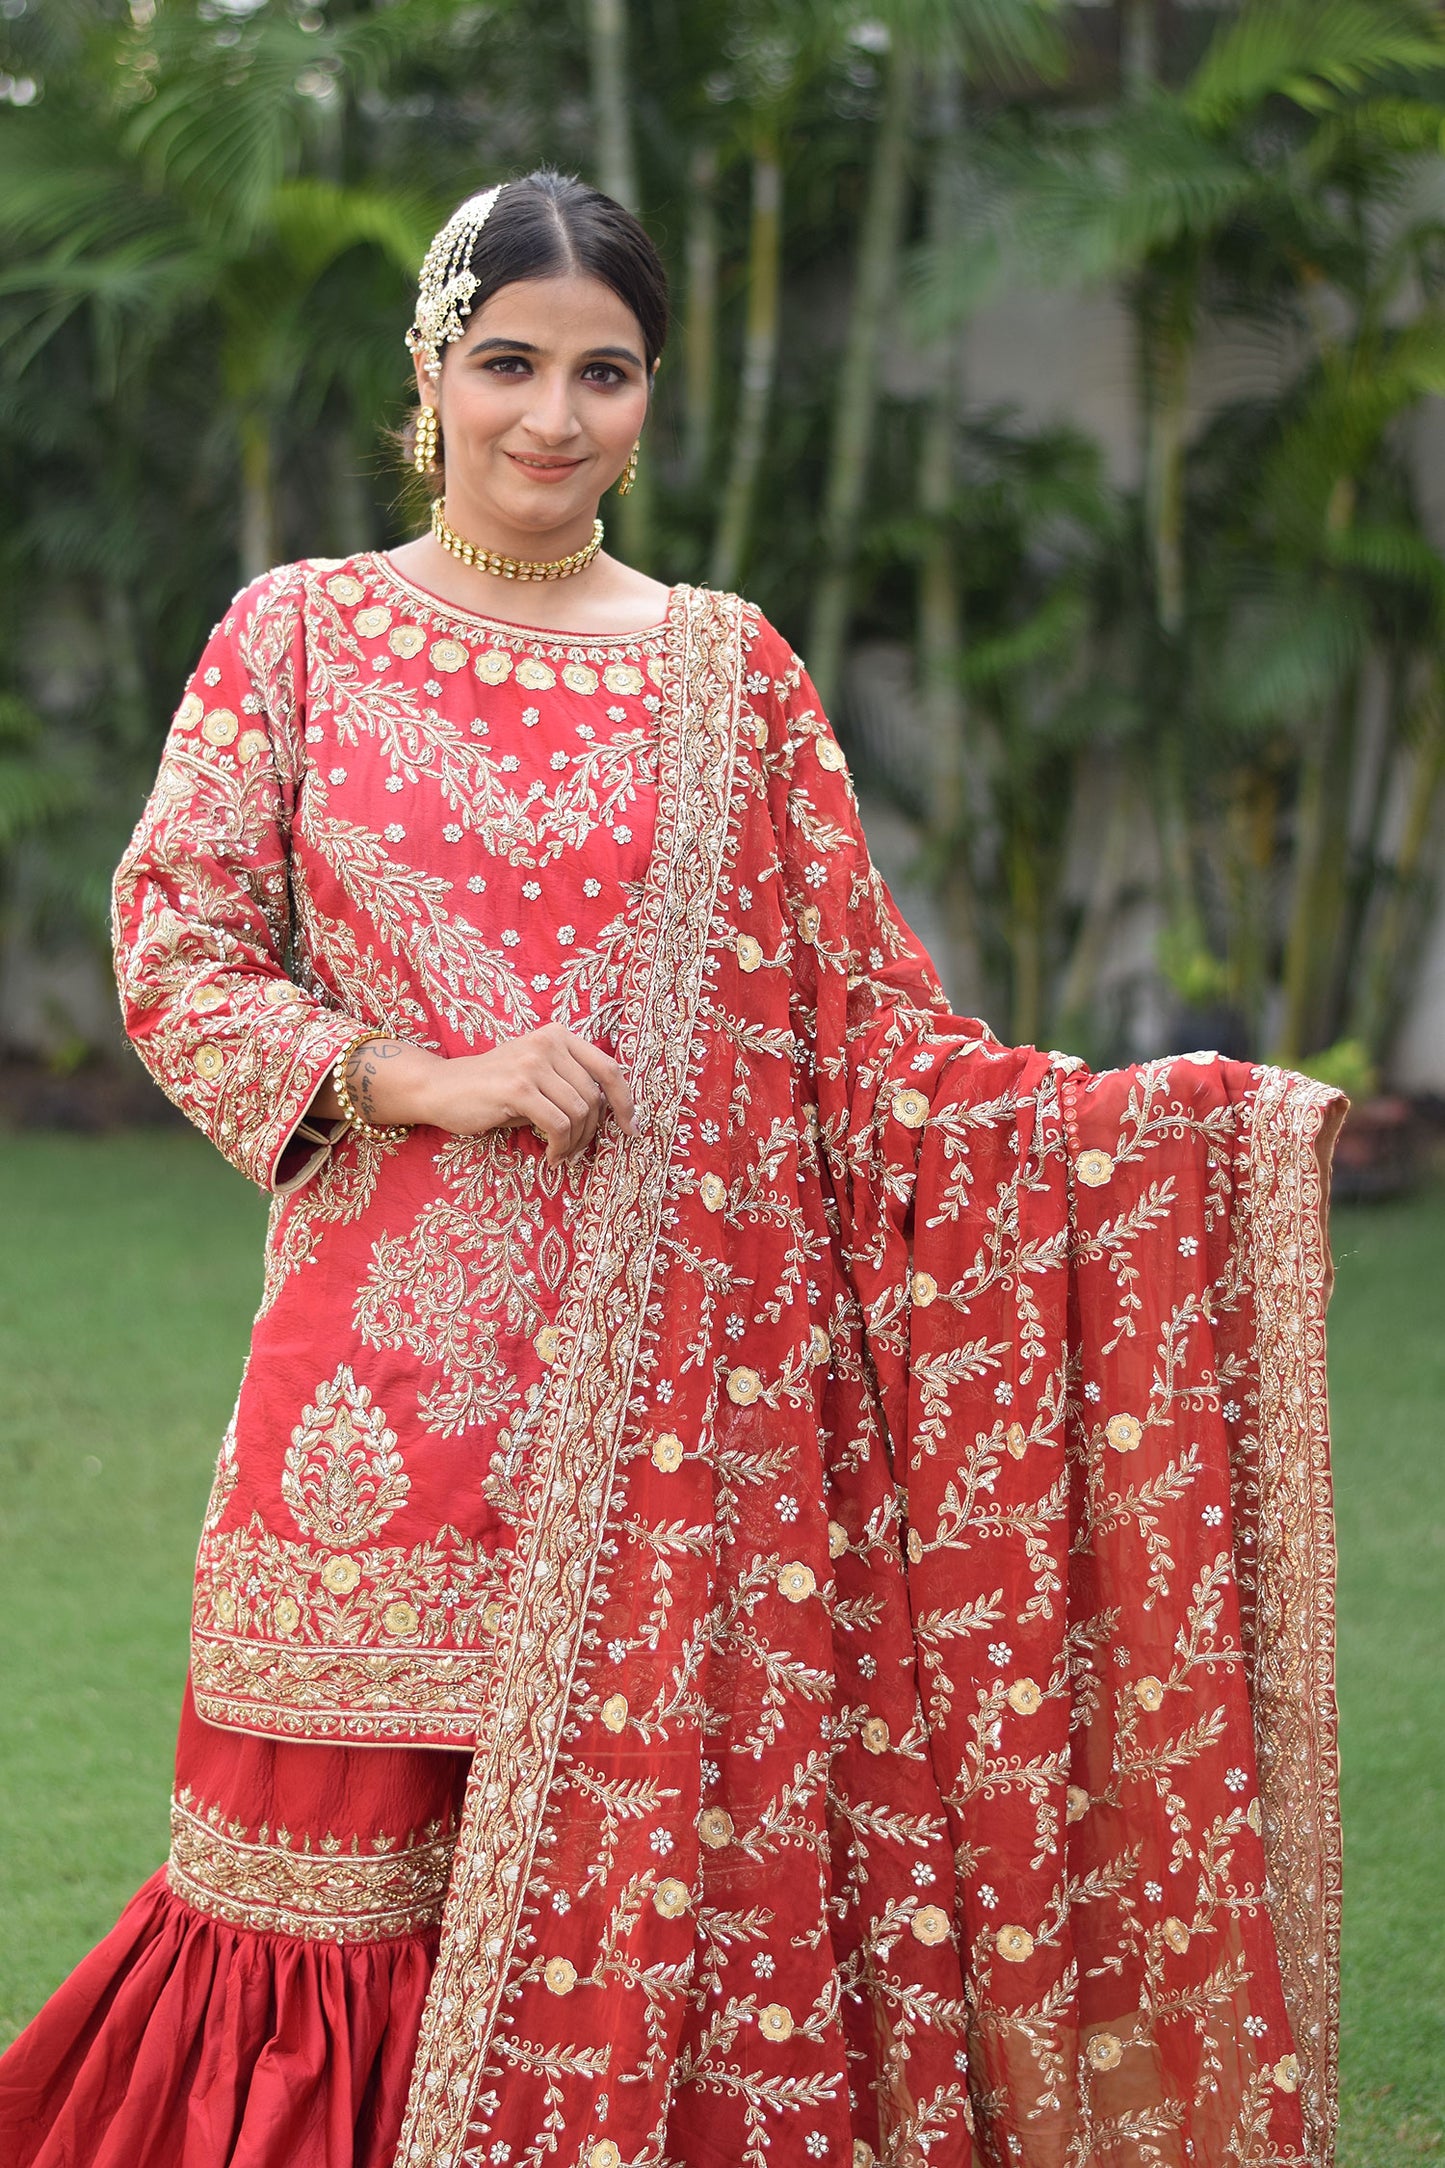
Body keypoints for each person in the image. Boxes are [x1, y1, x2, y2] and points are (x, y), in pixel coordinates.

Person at [0, 169, 1347, 2168]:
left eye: (604, 371)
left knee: (635, 1933)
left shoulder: (733, 675)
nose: (554, 416)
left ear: (652, 393)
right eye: (511, 362)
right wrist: (423, 1076)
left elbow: (873, 1040)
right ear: (434, 372)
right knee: (310, 1920)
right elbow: (178, 946)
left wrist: (1174, 1135)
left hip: (672, 1437)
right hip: (365, 1428)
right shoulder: (295, 635)